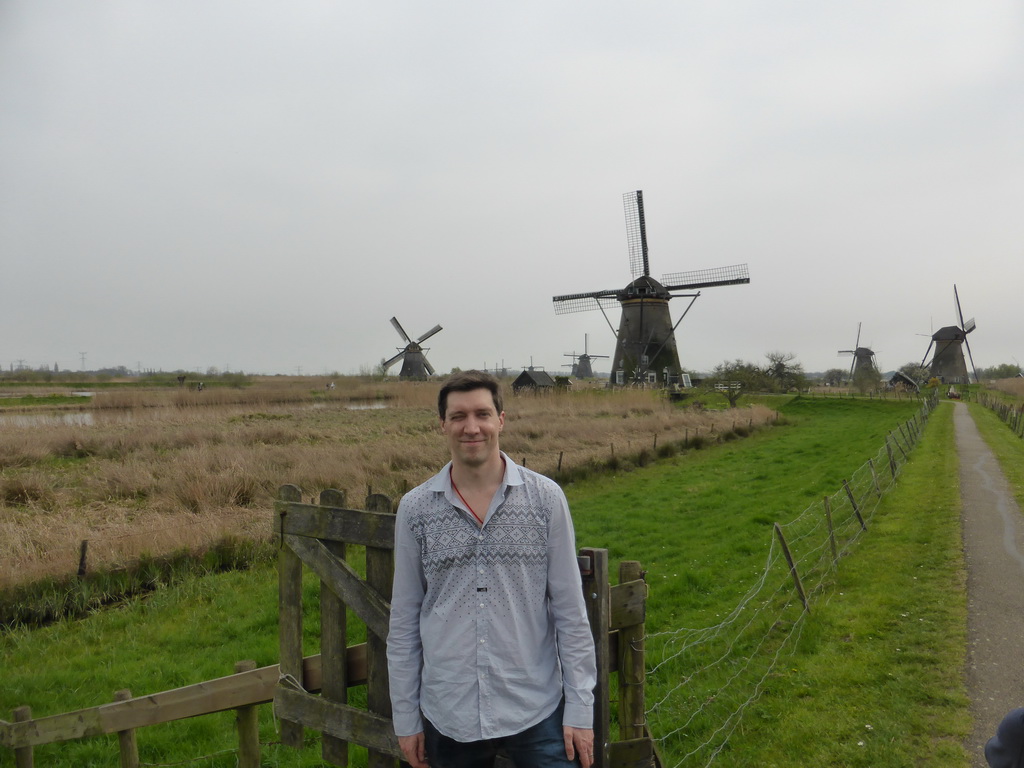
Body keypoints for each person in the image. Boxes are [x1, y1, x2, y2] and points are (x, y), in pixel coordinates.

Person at [387, 370, 597, 768]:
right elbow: (404, 620)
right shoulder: (415, 509)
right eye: (458, 416)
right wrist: (405, 717)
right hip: (449, 711)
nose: (471, 427)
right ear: (443, 425)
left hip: (535, 704)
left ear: (501, 419)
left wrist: (580, 711)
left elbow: (571, 613)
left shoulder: (545, 499)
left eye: (482, 414)